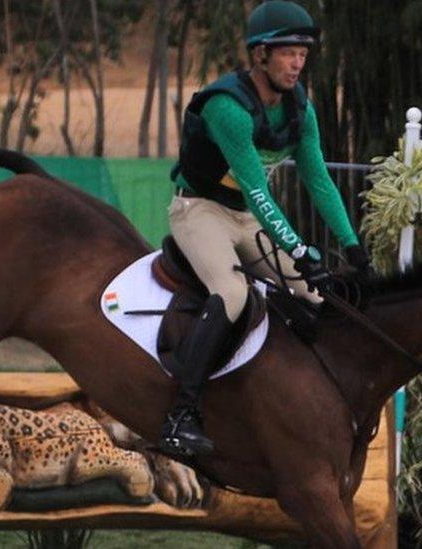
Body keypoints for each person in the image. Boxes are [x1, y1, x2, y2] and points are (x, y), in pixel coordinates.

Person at [159, 0, 370, 459]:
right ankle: (181, 414)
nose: (298, 64)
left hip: (248, 218)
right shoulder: (228, 108)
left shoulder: (300, 110)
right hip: (200, 211)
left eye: (303, 54)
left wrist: (352, 245)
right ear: (260, 55)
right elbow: (258, 191)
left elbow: (318, 180)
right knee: (232, 294)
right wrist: (301, 250)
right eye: (288, 53)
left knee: (318, 297)